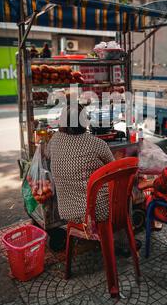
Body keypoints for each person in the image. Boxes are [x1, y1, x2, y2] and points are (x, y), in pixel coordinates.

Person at [48, 104, 141, 255]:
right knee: (123, 195)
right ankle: (122, 242)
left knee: (105, 193)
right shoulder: (97, 144)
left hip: (66, 210)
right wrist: (118, 160)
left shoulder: (54, 141)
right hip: (95, 211)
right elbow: (115, 170)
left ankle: (112, 238)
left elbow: (49, 156)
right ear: (85, 122)